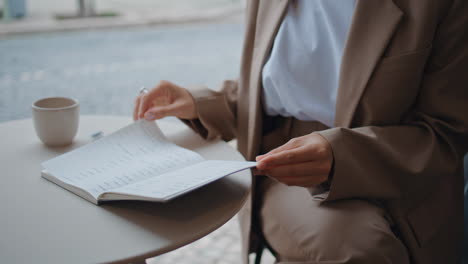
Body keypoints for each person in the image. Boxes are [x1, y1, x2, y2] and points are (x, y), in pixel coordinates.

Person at [134, 0, 468, 263]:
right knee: (355, 246)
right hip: (287, 164)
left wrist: (341, 155)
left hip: (407, 180)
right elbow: (276, 88)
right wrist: (202, 102)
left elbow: (448, 132)